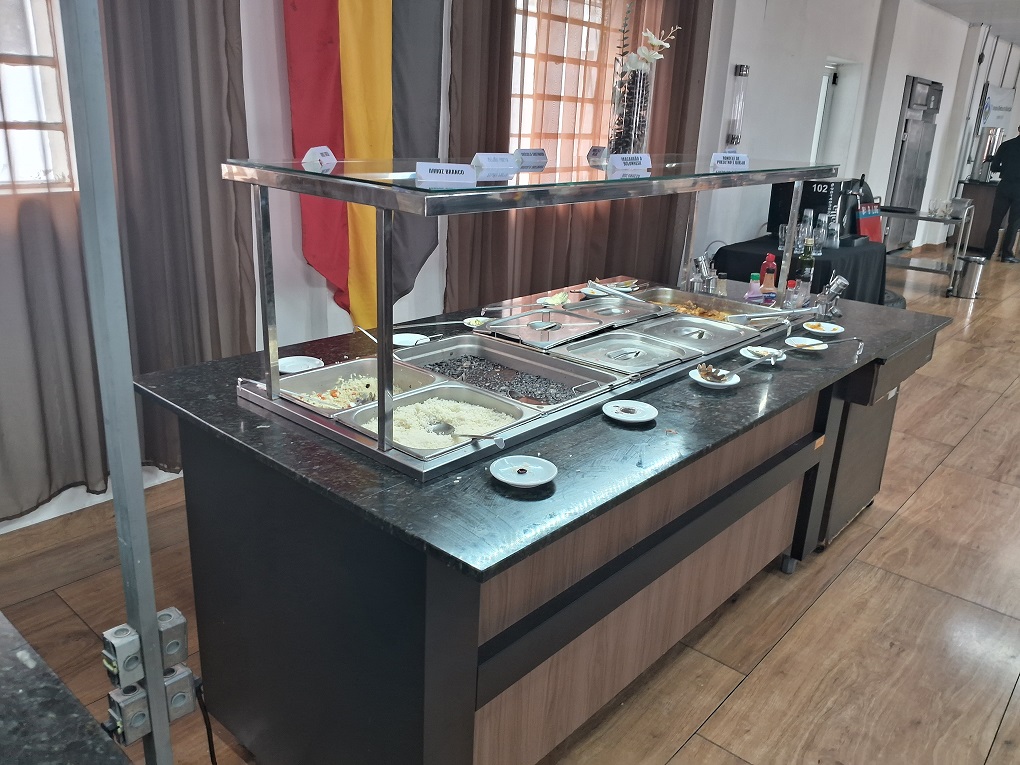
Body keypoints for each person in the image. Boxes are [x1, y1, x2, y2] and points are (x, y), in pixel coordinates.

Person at [983, 126, 1020, 263]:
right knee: (1014, 223)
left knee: (995, 221)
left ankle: (987, 252)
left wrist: (1006, 169)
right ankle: (1007, 255)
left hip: (1004, 186)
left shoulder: (1006, 145)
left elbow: (994, 167)